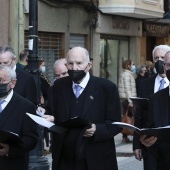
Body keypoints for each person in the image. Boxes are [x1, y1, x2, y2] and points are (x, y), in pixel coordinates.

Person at [46, 46, 121, 170]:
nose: (74, 68)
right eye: (70, 63)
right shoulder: (58, 86)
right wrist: (49, 117)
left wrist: (97, 129)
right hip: (65, 159)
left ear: (89, 65)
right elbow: (52, 111)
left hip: (96, 159)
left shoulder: (106, 88)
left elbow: (116, 124)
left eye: (79, 63)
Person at [133, 45, 170, 170]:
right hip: (154, 149)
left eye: (162, 57)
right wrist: (138, 142)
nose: (159, 61)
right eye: (156, 58)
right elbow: (140, 115)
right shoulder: (150, 90)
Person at [0, 65, 38, 170]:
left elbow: (31, 139)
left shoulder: (26, 106)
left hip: (12, 165)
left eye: (1, 80)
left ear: (13, 83)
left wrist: (10, 150)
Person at [118, 59, 137, 143]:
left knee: (126, 117)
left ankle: (125, 135)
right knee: (128, 117)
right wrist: (130, 100)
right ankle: (126, 134)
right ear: (128, 65)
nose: (133, 66)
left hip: (125, 98)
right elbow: (127, 88)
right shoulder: (127, 75)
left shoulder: (126, 74)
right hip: (127, 99)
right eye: (132, 64)